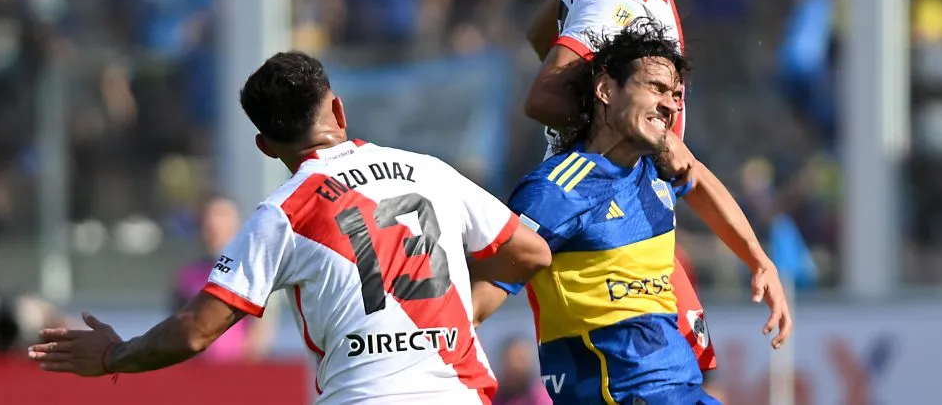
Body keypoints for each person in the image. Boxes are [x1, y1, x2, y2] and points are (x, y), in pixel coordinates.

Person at [28, 51, 552, 404]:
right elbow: (531, 254)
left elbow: (195, 330)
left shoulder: (282, 213)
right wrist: (462, 315)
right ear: (339, 110)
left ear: (266, 146)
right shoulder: (431, 171)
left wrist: (113, 355)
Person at [475, 21, 792, 404]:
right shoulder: (558, 189)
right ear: (606, 89)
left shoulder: (655, 171)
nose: (671, 104)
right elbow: (478, 294)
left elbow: (704, 186)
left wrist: (760, 262)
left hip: (684, 392)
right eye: (656, 88)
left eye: (676, 95)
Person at [522, 0, 718, 377]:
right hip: (603, 215)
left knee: (686, 370)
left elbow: (542, 32)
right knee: (655, 379)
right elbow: (543, 96)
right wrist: (633, 133)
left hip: (634, 204)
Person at [170, 192, 273, 362]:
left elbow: (261, 331)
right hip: (197, 371)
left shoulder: (251, 271)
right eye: (210, 219)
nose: (215, 225)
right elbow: (176, 329)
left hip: (239, 371)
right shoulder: (187, 276)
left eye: (223, 217)